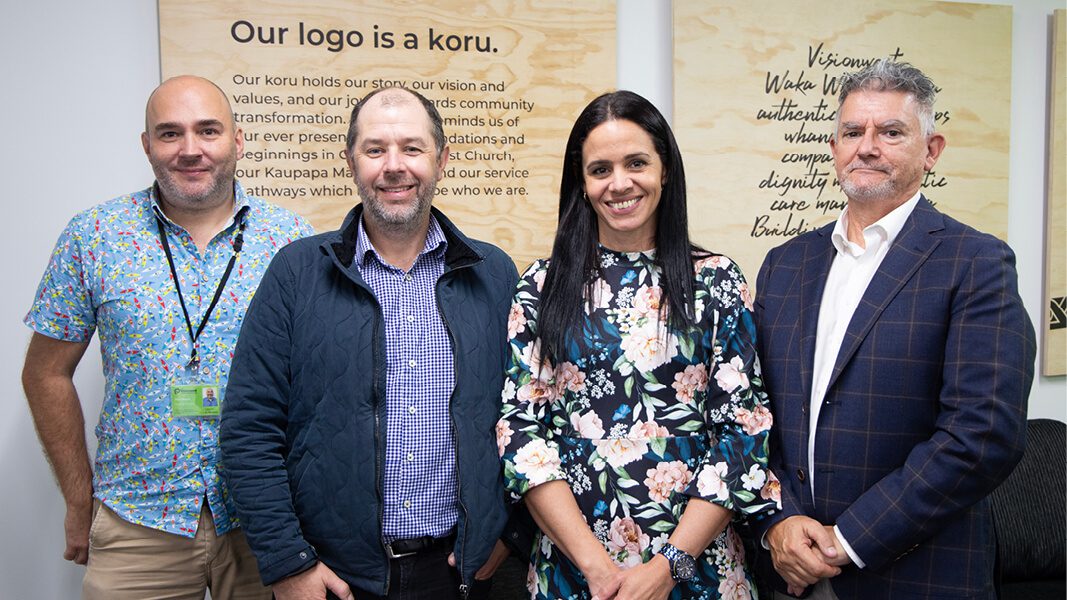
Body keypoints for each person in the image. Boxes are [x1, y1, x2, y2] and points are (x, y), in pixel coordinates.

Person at [219, 86, 520, 600]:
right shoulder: (296, 273)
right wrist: (288, 563)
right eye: (375, 149)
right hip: (333, 578)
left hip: (460, 575)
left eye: (412, 148)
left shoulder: (493, 274)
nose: (394, 166)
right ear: (351, 161)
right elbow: (249, 430)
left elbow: (529, 418)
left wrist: (510, 535)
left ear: (442, 160)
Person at [21, 75, 313, 599]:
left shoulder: (292, 241)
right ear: (146, 145)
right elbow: (45, 372)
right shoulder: (94, 236)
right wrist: (78, 498)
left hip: (264, 526)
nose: (191, 150)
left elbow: (320, 382)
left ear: (238, 140)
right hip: (138, 520)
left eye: (208, 131)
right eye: (170, 133)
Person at [753, 59, 1036, 599]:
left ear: (931, 151)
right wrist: (780, 522)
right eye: (852, 131)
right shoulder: (784, 264)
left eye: (891, 132)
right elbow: (753, 413)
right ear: (834, 146)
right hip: (790, 570)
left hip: (917, 575)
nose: (867, 146)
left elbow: (982, 436)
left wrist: (848, 540)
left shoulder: (976, 262)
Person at [498, 90, 780, 600]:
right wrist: (599, 570)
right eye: (600, 169)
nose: (619, 183)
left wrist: (668, 566)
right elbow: (522, 437)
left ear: (665, 170)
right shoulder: (541, 286)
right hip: (574, 575)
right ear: (581, 185)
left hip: (701, 573)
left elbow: (742, 435)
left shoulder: (714, 281)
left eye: (636, 163)